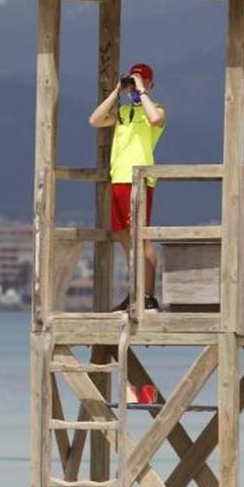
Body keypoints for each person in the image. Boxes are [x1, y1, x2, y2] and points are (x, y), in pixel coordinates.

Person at [88, 61, 167, 312]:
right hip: (119, 178)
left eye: (141, 80)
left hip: (140, 180)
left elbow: (155, 119)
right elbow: (95, 119)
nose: (135, 84)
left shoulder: (156, 110)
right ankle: (135, 293)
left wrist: (141, 90)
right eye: (133, 80)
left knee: (142, 237)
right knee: (124, 237)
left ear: (150, 83)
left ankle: (148, 296)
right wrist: (117, 91)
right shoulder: (122, 113)